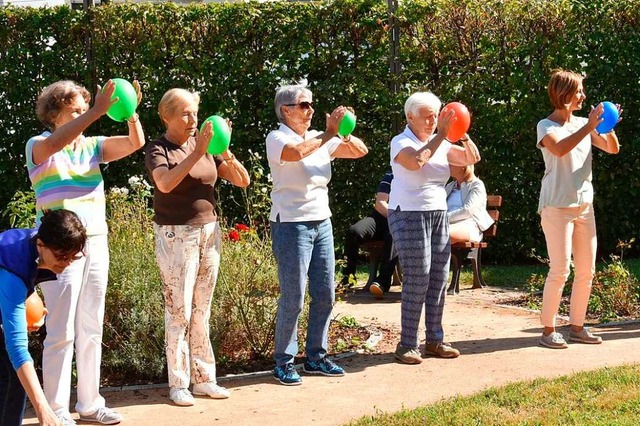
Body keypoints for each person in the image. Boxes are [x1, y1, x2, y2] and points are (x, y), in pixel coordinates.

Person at [26, 79, 145, 425]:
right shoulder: (38, 144)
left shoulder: (92, 146)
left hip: (95, 239)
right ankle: (57, 410)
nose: (82, 115)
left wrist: (131, 112)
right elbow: (53, 145)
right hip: (58, 247)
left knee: (91, 326)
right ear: (55, 112)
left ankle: (90, 404)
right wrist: (95, 112)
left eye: (83, 108)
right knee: (61, 331)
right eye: (74, 109)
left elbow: (135, 143)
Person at [145, 88, 250, 406]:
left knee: (201, 310)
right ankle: (179, 383)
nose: (193, 120)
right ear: (167, 116)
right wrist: (197, 150)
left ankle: (205, 379)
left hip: (209, 232)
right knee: (178, 312)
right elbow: (164, 183)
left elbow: (243, 180)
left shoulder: (206, 146)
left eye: (195, 112)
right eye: (185, 113)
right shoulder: (158, 149)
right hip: (176, 236)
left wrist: (225, 150)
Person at [266, 82, 368, 385]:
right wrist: (329, 134)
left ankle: (316, 357)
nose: (310, 110)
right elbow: (295, 154)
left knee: (325, 293)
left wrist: (343, 130)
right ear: (286, 110)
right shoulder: (276, 137)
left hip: (322, 222)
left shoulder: (319, 137)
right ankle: (283, 362)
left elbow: (361, 151)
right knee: (294, 296)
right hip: (291, 224)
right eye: (303, 105)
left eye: (311, 104)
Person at [388, 92, 480, 365]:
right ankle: (406, 344)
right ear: (410, 117)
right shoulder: (400, 142)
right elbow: (415, 162)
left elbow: (470, 158)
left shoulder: (440, 141)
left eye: (436, 115)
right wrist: (441, 135)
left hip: (437, 213)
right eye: (427, 115)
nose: (432, 120)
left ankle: (435, 340)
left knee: (439, 276)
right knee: (418, 275)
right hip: (408, 214)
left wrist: (460, 132)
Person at [536, 69, 620, 349]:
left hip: (584, 206)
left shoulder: (585, 123)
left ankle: (577, 327)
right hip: (556, 206)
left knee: (587, 270)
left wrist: (608, 125)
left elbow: (612, 149)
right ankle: (548, 331)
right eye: (579, 91)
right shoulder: (546, 126)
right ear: (565, 94)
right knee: (560, 270)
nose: (584, 96)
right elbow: (559, 150)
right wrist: (589, 126)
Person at [0, 209, 87, 426]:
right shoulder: (13, 273)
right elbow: (18, 348)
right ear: (40, 245)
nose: (66, 263)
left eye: (73, 257)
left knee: (13, 378)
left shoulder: (39, 242)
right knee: (11, 368)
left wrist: (29, 306)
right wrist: (43, 410)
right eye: (61, 256)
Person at [340, 172, 398, 300]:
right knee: (353, 232)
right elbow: (380, 202)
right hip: (381, 217)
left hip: (400, 223)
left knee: (394, 233)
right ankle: (347, 278)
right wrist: (394, 217)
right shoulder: (390, 176)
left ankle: (382, 282)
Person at [445, 164, 494, 244]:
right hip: (447, 224)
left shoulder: (476, 185)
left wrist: (441, 219)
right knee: (422, 232)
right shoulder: (450, 186)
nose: (448, 166)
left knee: (442, 234)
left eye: (452, 164)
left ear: (463, 166)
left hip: (468, 225)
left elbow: (468, 210)